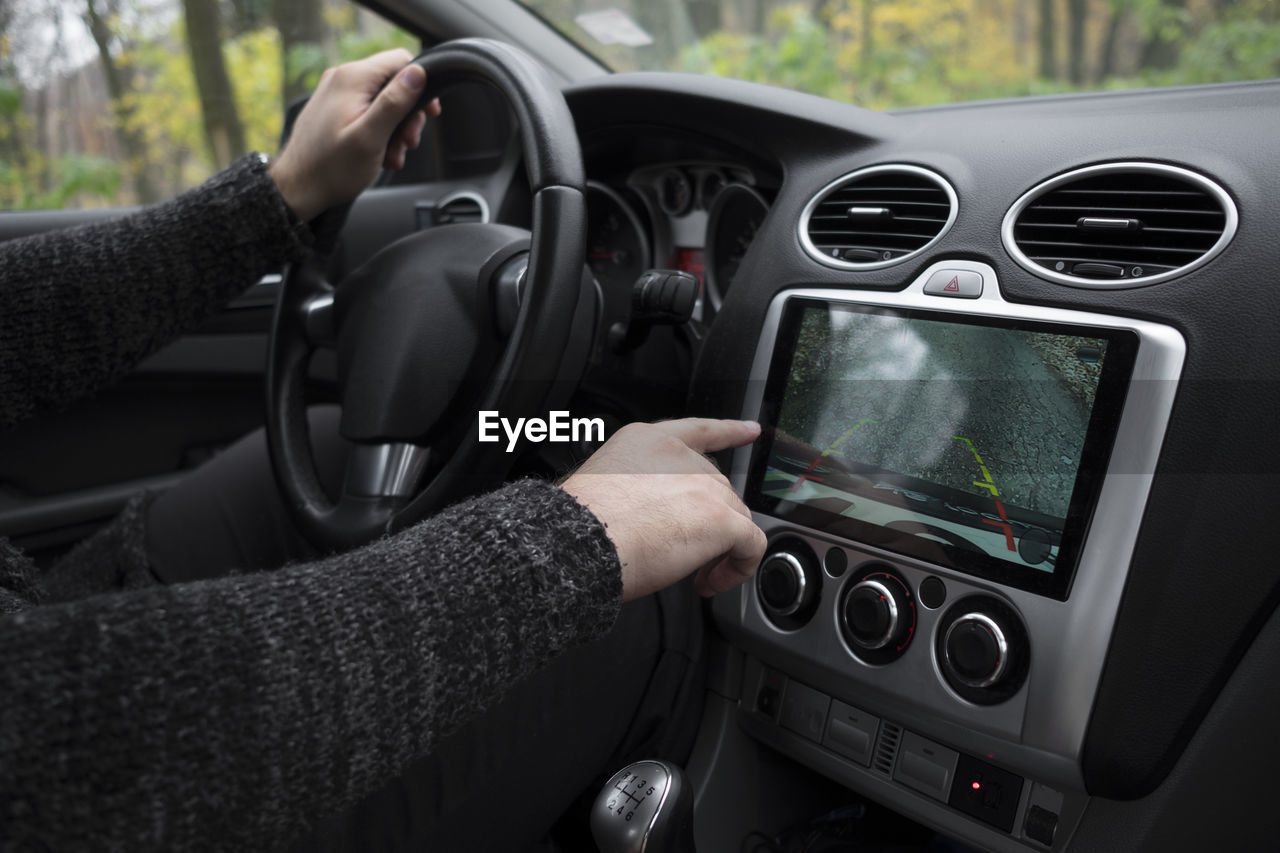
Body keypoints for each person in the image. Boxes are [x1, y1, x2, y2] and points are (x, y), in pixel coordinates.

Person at [0, 49, 767, 849]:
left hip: (49, 642)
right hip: (93, 779)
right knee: (645, 607)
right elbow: (110, 735)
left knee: (341, 445)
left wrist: (282, 194)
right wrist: (576, 537)